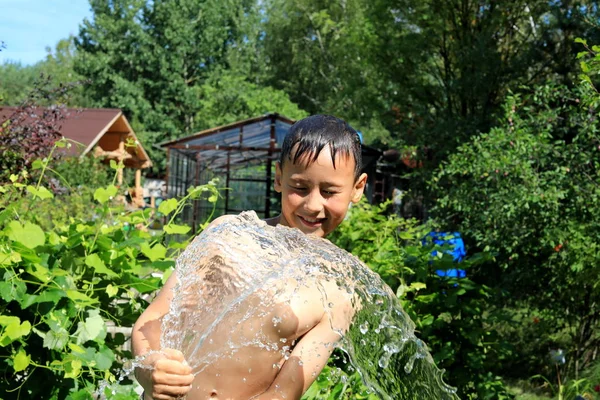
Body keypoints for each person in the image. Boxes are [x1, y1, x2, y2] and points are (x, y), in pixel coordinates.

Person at [132, 115, 368, 400]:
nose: (313, 204)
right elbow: (155, 318)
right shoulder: (229, 235)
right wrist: (149, 365)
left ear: (357, 188)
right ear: (279, 177)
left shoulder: (339, 292)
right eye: (300, 187)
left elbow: (284, 393)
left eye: (329, 191)